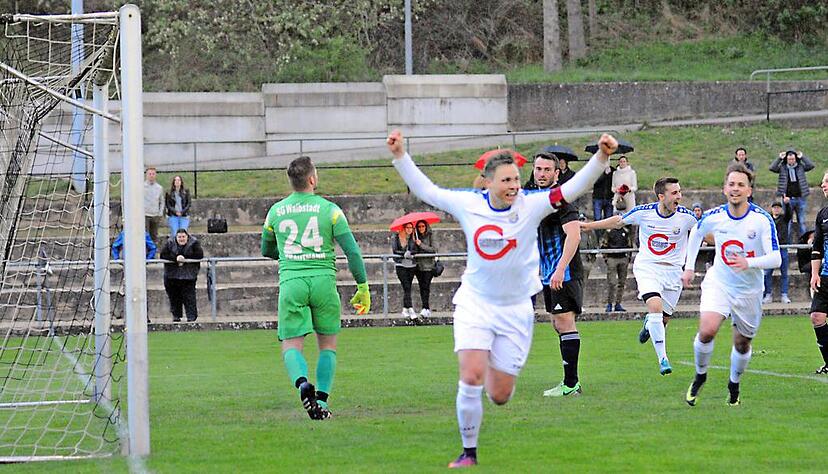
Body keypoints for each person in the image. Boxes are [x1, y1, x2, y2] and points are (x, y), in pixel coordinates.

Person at [387, 129, 616, 468]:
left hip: (514, 310)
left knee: (499, 395)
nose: (514, 185)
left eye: (516, 179)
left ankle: (494, 358)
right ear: (488, 181)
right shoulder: (469, 204)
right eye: (506, 179)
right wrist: (400, 155)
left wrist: (602, 157)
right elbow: (426, 190)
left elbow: (572, 188)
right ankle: (469, 452)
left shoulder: (532, 204)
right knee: (471, 375)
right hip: (475, 304)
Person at [261, 156, 370, 421]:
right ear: (312, 179)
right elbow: (352, 252)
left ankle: (302, 384)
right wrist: (363, 286)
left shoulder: (276, 211)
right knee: (328, 346)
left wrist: (289, 255)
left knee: (291, 346)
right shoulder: (330, 210)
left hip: (292, 283)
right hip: (323, 282)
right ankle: (321, 402)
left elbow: (266, 249)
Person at [682, 163, 781, 406]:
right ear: (725, 189)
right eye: (731, 184)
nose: (735, 189)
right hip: (720, 282)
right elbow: (696, 233)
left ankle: (734, 384)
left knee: (742, 342)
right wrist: (689, 267)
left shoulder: (761, 220)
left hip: (749, 290)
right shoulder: (714, 217)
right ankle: (700, 375)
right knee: (707, 330)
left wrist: (750, 262)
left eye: (741, 185)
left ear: (749, 190)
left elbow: (776, 258)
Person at [583, 177, 697, 376]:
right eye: (675, 193)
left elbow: (704, 232)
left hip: (673, 273)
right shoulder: (644, 212)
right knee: (655, 307)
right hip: (648, 268)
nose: (679, 196)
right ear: (661, 196)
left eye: (680, 192)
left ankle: (649, 324)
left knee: (664, 318)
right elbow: (618, 221)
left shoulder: (687, 217)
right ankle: (663, 359)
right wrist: (588, 226)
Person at [524, 152, 586, 398]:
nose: (541, 174)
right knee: (557, 323)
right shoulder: (537, 199)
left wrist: (560, 269)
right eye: (538, 169)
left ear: (556, 173)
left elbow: (574, 235)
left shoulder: (561, 201)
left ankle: (571, 384)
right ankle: (571, 382)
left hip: (564, 272)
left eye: (547, 170)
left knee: (563, 322)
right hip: (549, 273)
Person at [769, 149, 815, 241]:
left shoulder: (800, 166)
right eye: (789, 159)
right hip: (787, 200)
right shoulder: (783, 167)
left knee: (801, 221)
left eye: (793, 159)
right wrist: (779, 158)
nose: (791, 161)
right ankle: (788, 243)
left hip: (800, 198)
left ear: (795, 159)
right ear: (786, 159)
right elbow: (772, 168)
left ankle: (804, 243)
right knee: (788, 223)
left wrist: (802, 157)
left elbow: (811, 165)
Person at [160, 229, 204, 322]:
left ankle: (191, 318)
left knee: (189, 297)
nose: (181, 239)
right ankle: (176, 316)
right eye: (179, 237)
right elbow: (163, 255)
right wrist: (176, 258)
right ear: (176, 237)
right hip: (172, 276)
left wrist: (185, 258)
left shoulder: (194, 243)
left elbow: (199, 255)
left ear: (187, 237)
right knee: (174, 297)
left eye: (183, 237)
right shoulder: (169, 243)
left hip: (188, 276)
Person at [809, 171, 828, 375]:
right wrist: (815, 274)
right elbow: (817, 247)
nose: (823, 185)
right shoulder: (823, 214)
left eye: (827, 181)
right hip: (825, 276)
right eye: (823, 181)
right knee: (817, 316)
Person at [600, 210, 633, 313]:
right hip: (612, 259)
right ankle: (609, 303)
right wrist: (607, 259)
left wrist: (628, 258)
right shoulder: (609, 232)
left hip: (623, 258)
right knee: (612, 282)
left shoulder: (626, 232)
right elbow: (603, 245)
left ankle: (618, 303)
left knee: (622, 282)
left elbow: (630, 245)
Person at [762, 202, 792, 304]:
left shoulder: (784, 218)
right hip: (771, 249)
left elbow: (789, 214)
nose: (776, 210)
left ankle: (784, 294)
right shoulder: (768, 219)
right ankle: (768, 294)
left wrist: (787, 204)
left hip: (782, 248)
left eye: (778, 208)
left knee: (784, 273)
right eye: (774, 208)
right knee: (767, 273)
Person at [391, 222, 419, 319]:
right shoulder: (396, 237)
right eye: (407, 227)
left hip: (411, 265)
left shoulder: (413, 238)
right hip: (400, 265)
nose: (409, 230)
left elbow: (415, 250)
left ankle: (405, 308)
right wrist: (404, 254)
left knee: (408, 287)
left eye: (411, 228)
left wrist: (411, 251)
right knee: (406, 286)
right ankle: (410, 308)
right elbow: (395, 250)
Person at [413, 220, 437, 318]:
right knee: (421, 286)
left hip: (428, 266)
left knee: (426, 287)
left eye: (423, 226)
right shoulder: (416, 236)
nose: (421, 228)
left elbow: (433, 249)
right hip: (419, 265)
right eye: (419, 227)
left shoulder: (430, 235)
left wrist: (421, 244)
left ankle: (426, 307)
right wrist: (415, 243)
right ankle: (425, 308)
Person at [592, 160, 615, 239]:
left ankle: (607, 239)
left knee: (609, 220)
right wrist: (604, 174)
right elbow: (594, 182)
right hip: (598, 198)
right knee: (597, 219)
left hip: (609, 198)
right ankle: (598, 239)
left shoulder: (613, 170)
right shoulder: (596, 170)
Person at [144, 167, 165, 245]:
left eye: (153, 174)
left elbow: (162, 201)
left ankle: (153, 253)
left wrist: (160, 213)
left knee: (154, 236)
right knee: (145, 235)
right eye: (150, 174)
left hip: (155, 215)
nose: (151, 175)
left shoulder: (159, 188)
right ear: (146, 175)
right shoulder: (142, 187)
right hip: (145, 215)